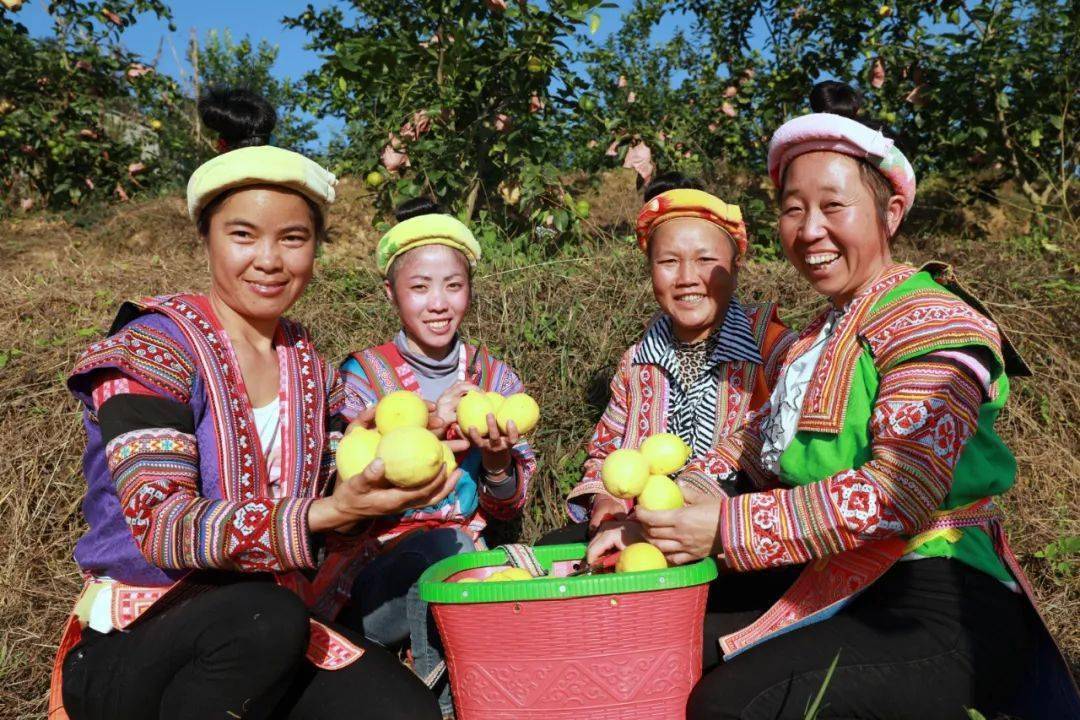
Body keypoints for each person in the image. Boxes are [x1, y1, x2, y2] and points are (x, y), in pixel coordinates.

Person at [593, 81, 1078, 719]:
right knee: (657, 637)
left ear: (891, 212)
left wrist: (727, 527)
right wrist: (655, 514)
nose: (810, 229)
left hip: (939, 592)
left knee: (734, 705)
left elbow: (899, 491)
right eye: (793, 209)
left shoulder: (931, 319)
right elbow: (750, 450)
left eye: (833, 206)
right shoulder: (813, 342)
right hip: (834, 573)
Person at [49, 89, 452, 720]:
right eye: (243, 235)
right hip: (138, 644)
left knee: (402, 712)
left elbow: (338, 503)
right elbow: (164, 525)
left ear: (315, 250)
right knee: (263, 616)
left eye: (293, 238)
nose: (269, 259)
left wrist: (378, 479)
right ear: (206, 238)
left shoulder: (309, 368)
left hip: (271, 630)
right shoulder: (149, 351)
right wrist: (324, 512)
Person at [336, 197, 536, 716]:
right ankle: (443, 703)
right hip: (378, 579)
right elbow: (349, 487)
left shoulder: (496, 380)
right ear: (391, 293)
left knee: (506, 574)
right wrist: (430, 420)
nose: (439, 302)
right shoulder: (361, 379)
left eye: (453, 285)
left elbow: (509, 509)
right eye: (420, 288)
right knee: (442, 551)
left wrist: (495, 464)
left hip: (470, 565)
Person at [542, 173, 793, 550]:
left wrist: (696, 491)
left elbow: (782, 432)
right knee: (551, 551)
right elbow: (607, 447)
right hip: (640, 525)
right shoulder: (636, 363)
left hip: (733, 535)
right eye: (669, 262)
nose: (687, 279)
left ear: (736, 265)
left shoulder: (774, 348)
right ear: (650, 269)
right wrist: (607, 496)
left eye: (706, 259)